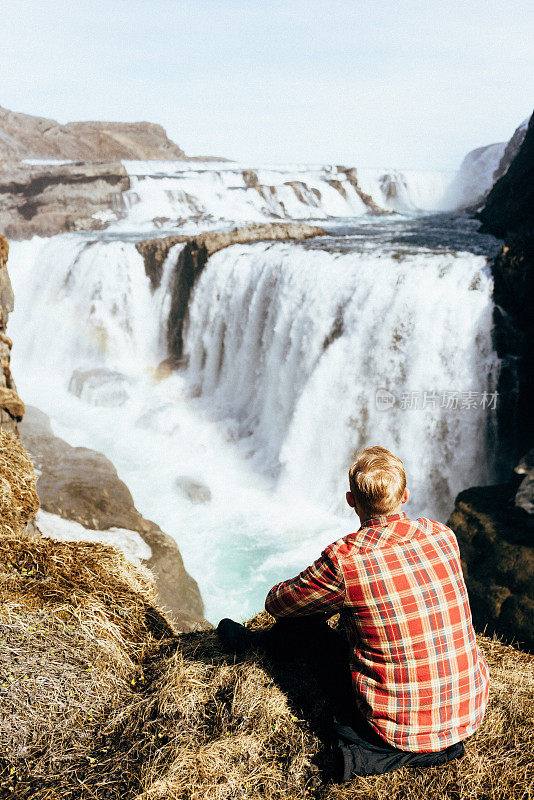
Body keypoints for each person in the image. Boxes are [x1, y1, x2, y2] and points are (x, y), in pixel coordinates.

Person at [217, 445, 490, 780]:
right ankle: (435, 745)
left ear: (350, 500)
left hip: (394, 724)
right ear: (405, 496)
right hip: (468, 709)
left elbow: (278, 604)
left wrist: (326, 600)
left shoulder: (345, 559)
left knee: (307, 626)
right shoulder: (444, 535)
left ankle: (256, 647)